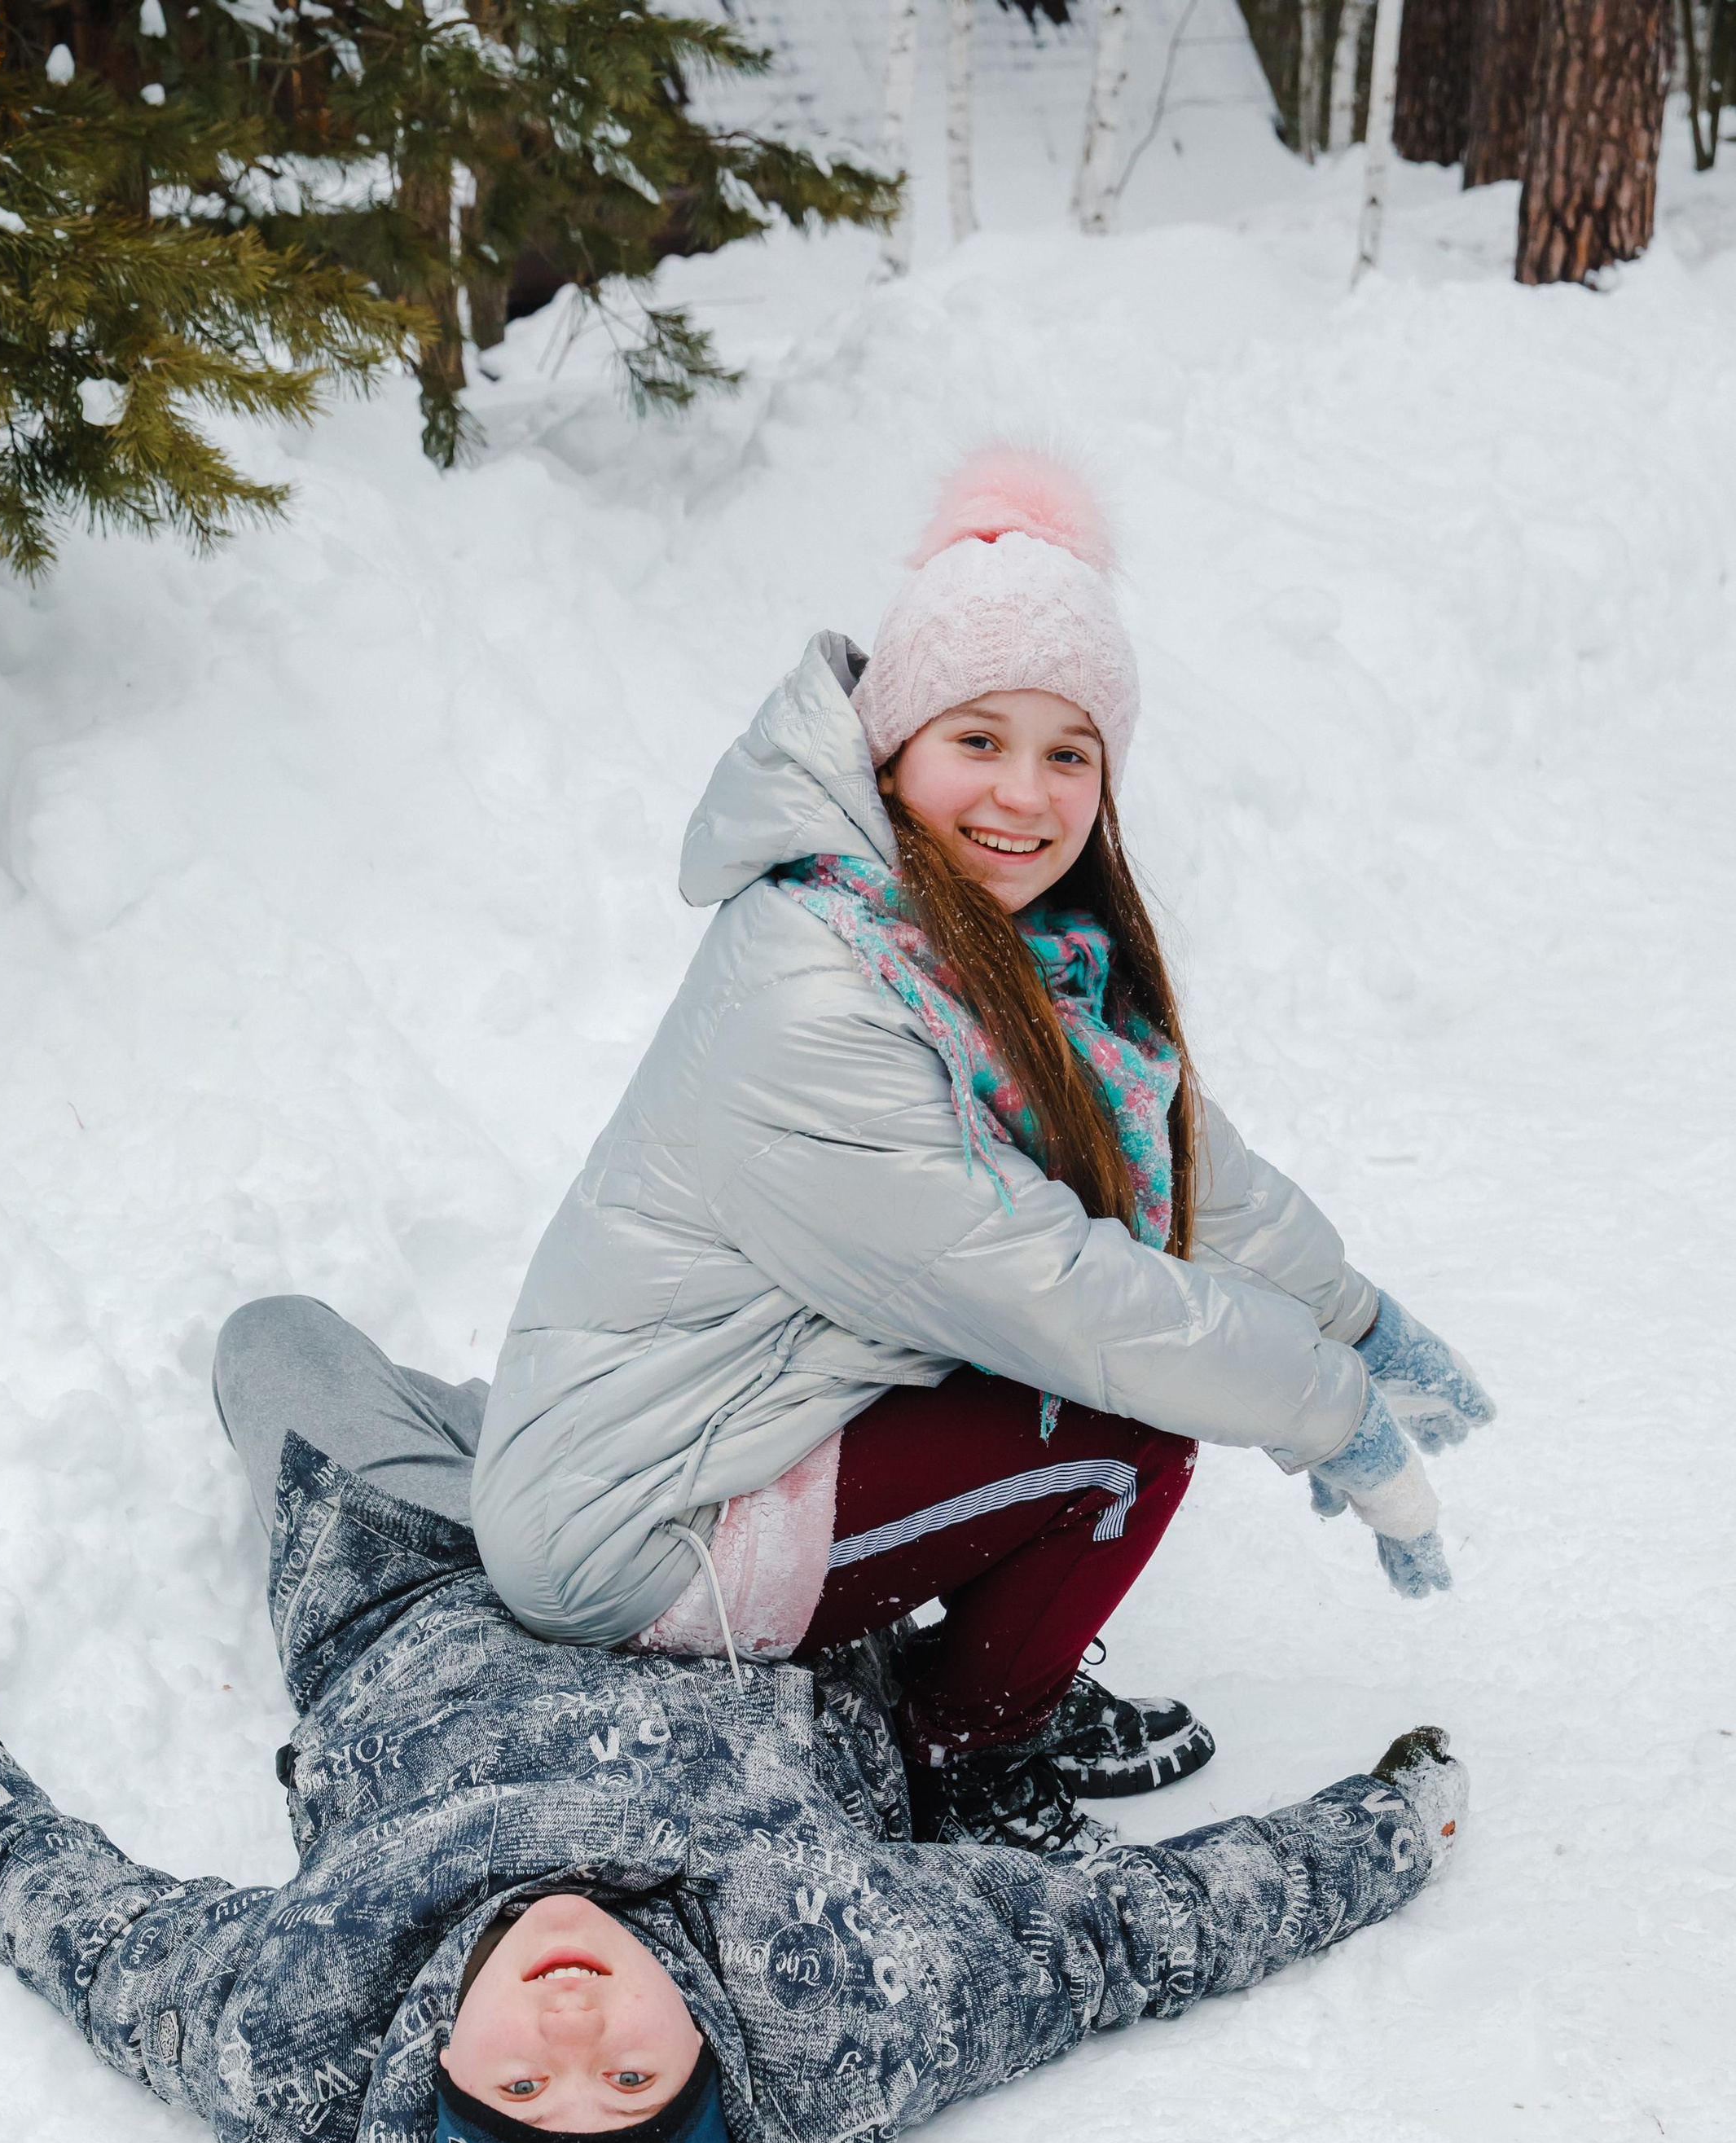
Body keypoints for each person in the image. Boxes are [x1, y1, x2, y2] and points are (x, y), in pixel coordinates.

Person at [0, 1300, 1469, 2143]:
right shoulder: (839, 2010)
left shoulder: (297, 2044)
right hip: (720, 1575)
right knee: (873, 1315)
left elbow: (90, 1935)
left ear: (434, 2084)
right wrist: (1384, 1829)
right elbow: (1134, 1939)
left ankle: (507, 1415)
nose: (568, 2028)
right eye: (629, 2083)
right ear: (706, 2076)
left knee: (272, 1343)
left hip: (410, 1576)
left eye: (522, 2088)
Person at [470, 449, 1496, 1854]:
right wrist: (1326, 1408)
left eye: (1068, 752)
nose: (1026, 794)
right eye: (978, 739)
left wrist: (1362, 1321)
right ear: (892, 746)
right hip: (639, 1525)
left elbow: (1179, 1174)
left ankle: (975, 1687)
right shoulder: (819, 982)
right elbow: (1052, 1293)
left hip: (725, 1426)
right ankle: (965, 1751)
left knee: (1088, 1374)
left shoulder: (972, 939)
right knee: (1125, 1429)